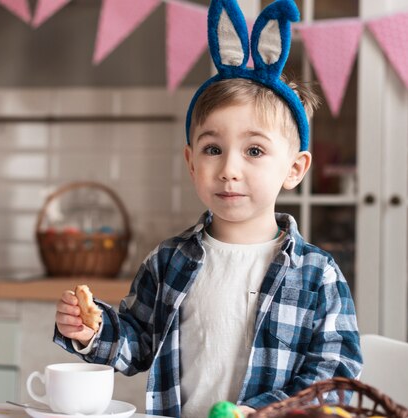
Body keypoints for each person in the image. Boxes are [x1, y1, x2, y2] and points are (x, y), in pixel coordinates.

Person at [53, 0, 362, 417]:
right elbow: (137, 343)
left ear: (294, 169)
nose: (229, 169)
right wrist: (92, 332)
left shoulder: (317, 276)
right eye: (213, 149)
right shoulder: (167, 261)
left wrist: (265, 412)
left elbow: (335, 378)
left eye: (254, 150)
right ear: (191, 161)